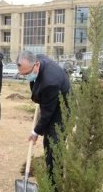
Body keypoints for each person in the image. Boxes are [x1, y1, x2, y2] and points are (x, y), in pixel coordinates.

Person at [17, 51, 70, 182]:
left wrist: (35, 132)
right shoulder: (37, 59)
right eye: (23, 74)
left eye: (27, 73)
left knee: (54, 148)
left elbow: (47, 114)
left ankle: (55, 189)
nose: (26, 77)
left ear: (36, 65)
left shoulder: (49, 82)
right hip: (51, 102)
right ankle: (51, 181)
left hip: (62, 111)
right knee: (48, 145)